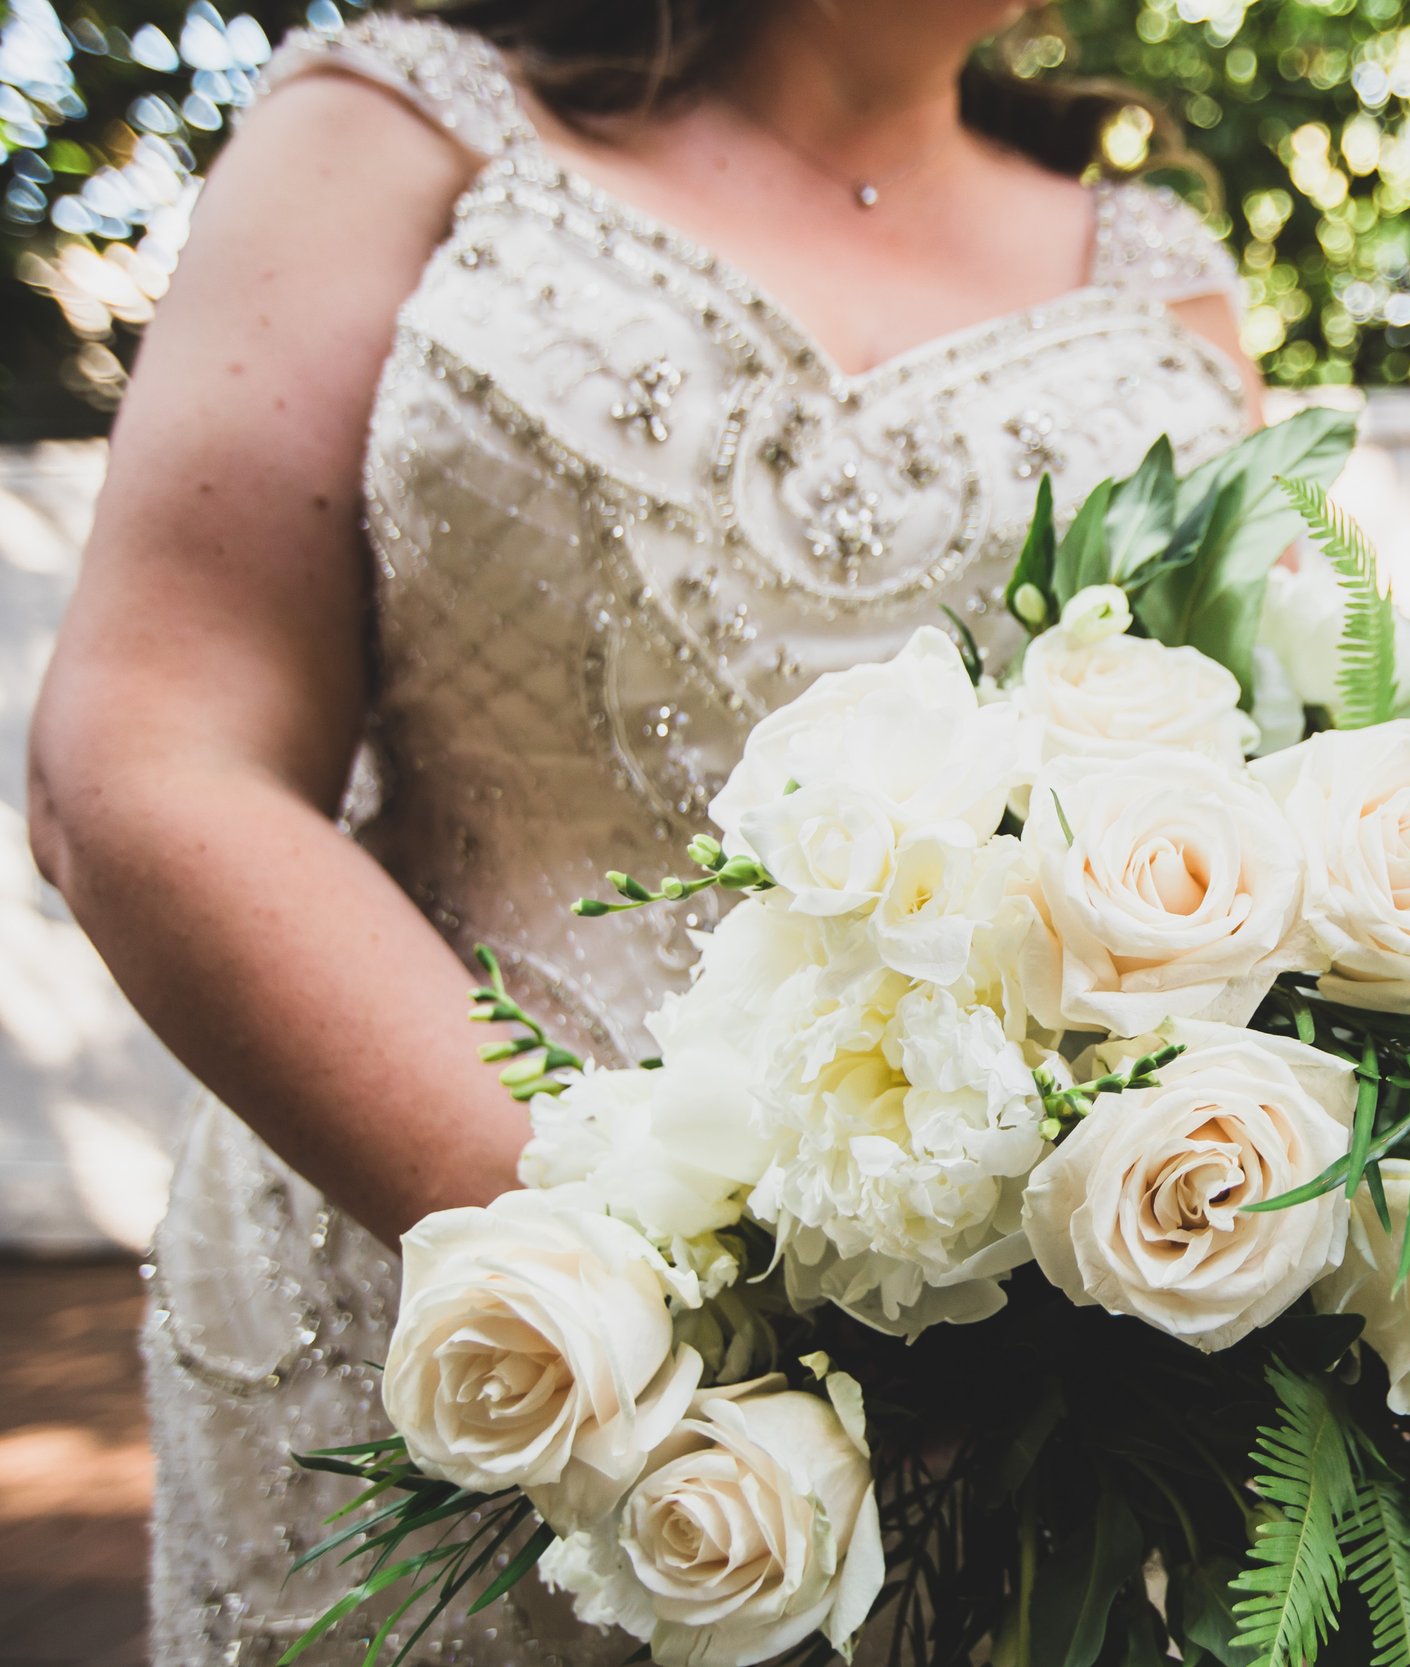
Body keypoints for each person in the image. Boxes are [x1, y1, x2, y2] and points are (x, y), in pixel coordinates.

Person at [24, 4, 1258, 1661]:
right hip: (451, 1319)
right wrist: (663, 1314)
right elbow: (157, 757)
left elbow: (1250, 812)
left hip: (1008, 1425)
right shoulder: (399, 131)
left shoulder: (1160, 281)